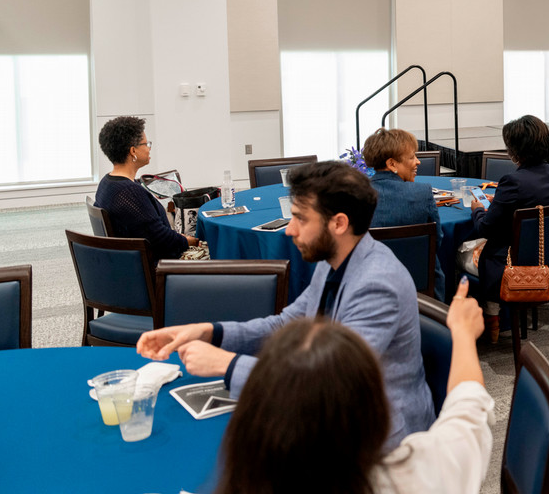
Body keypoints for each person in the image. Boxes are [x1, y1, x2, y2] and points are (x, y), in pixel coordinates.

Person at [136, 161, 435, 445]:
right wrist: (211, 332)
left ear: (339, 223)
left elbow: (333, 382)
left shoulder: (376, 283)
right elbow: (285, 324)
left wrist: (226, 364)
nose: (290, 229)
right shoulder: (335, 259)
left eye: (300, 218)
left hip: (377, 441)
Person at [213, 281, 493, 494]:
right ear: (375, 411)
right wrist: (462, 334)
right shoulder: (419, 475)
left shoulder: (244, 478)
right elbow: (468, 408)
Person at [470, 115, 549, 341]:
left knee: (461, 254)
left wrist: (477, 209)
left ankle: (490, 318)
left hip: (516, 263)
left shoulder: (513, 181)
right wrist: (500, 202)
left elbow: (485, 229)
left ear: (514, 150)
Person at [94, 116, 196, 259]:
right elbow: (161, 240)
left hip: (132, 263)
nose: (149, 148)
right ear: (133, 151)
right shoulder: (129, 192)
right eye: (146, 144)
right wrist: (189, 241)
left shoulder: (106, 183)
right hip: (161, 269)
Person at [363, 127, 446, 300]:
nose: (418, 162)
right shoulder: (422, 193)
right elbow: (436, 242)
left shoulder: (354, 195)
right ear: (392, 164)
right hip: (421, 289)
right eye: (412, 157)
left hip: (368, 287)